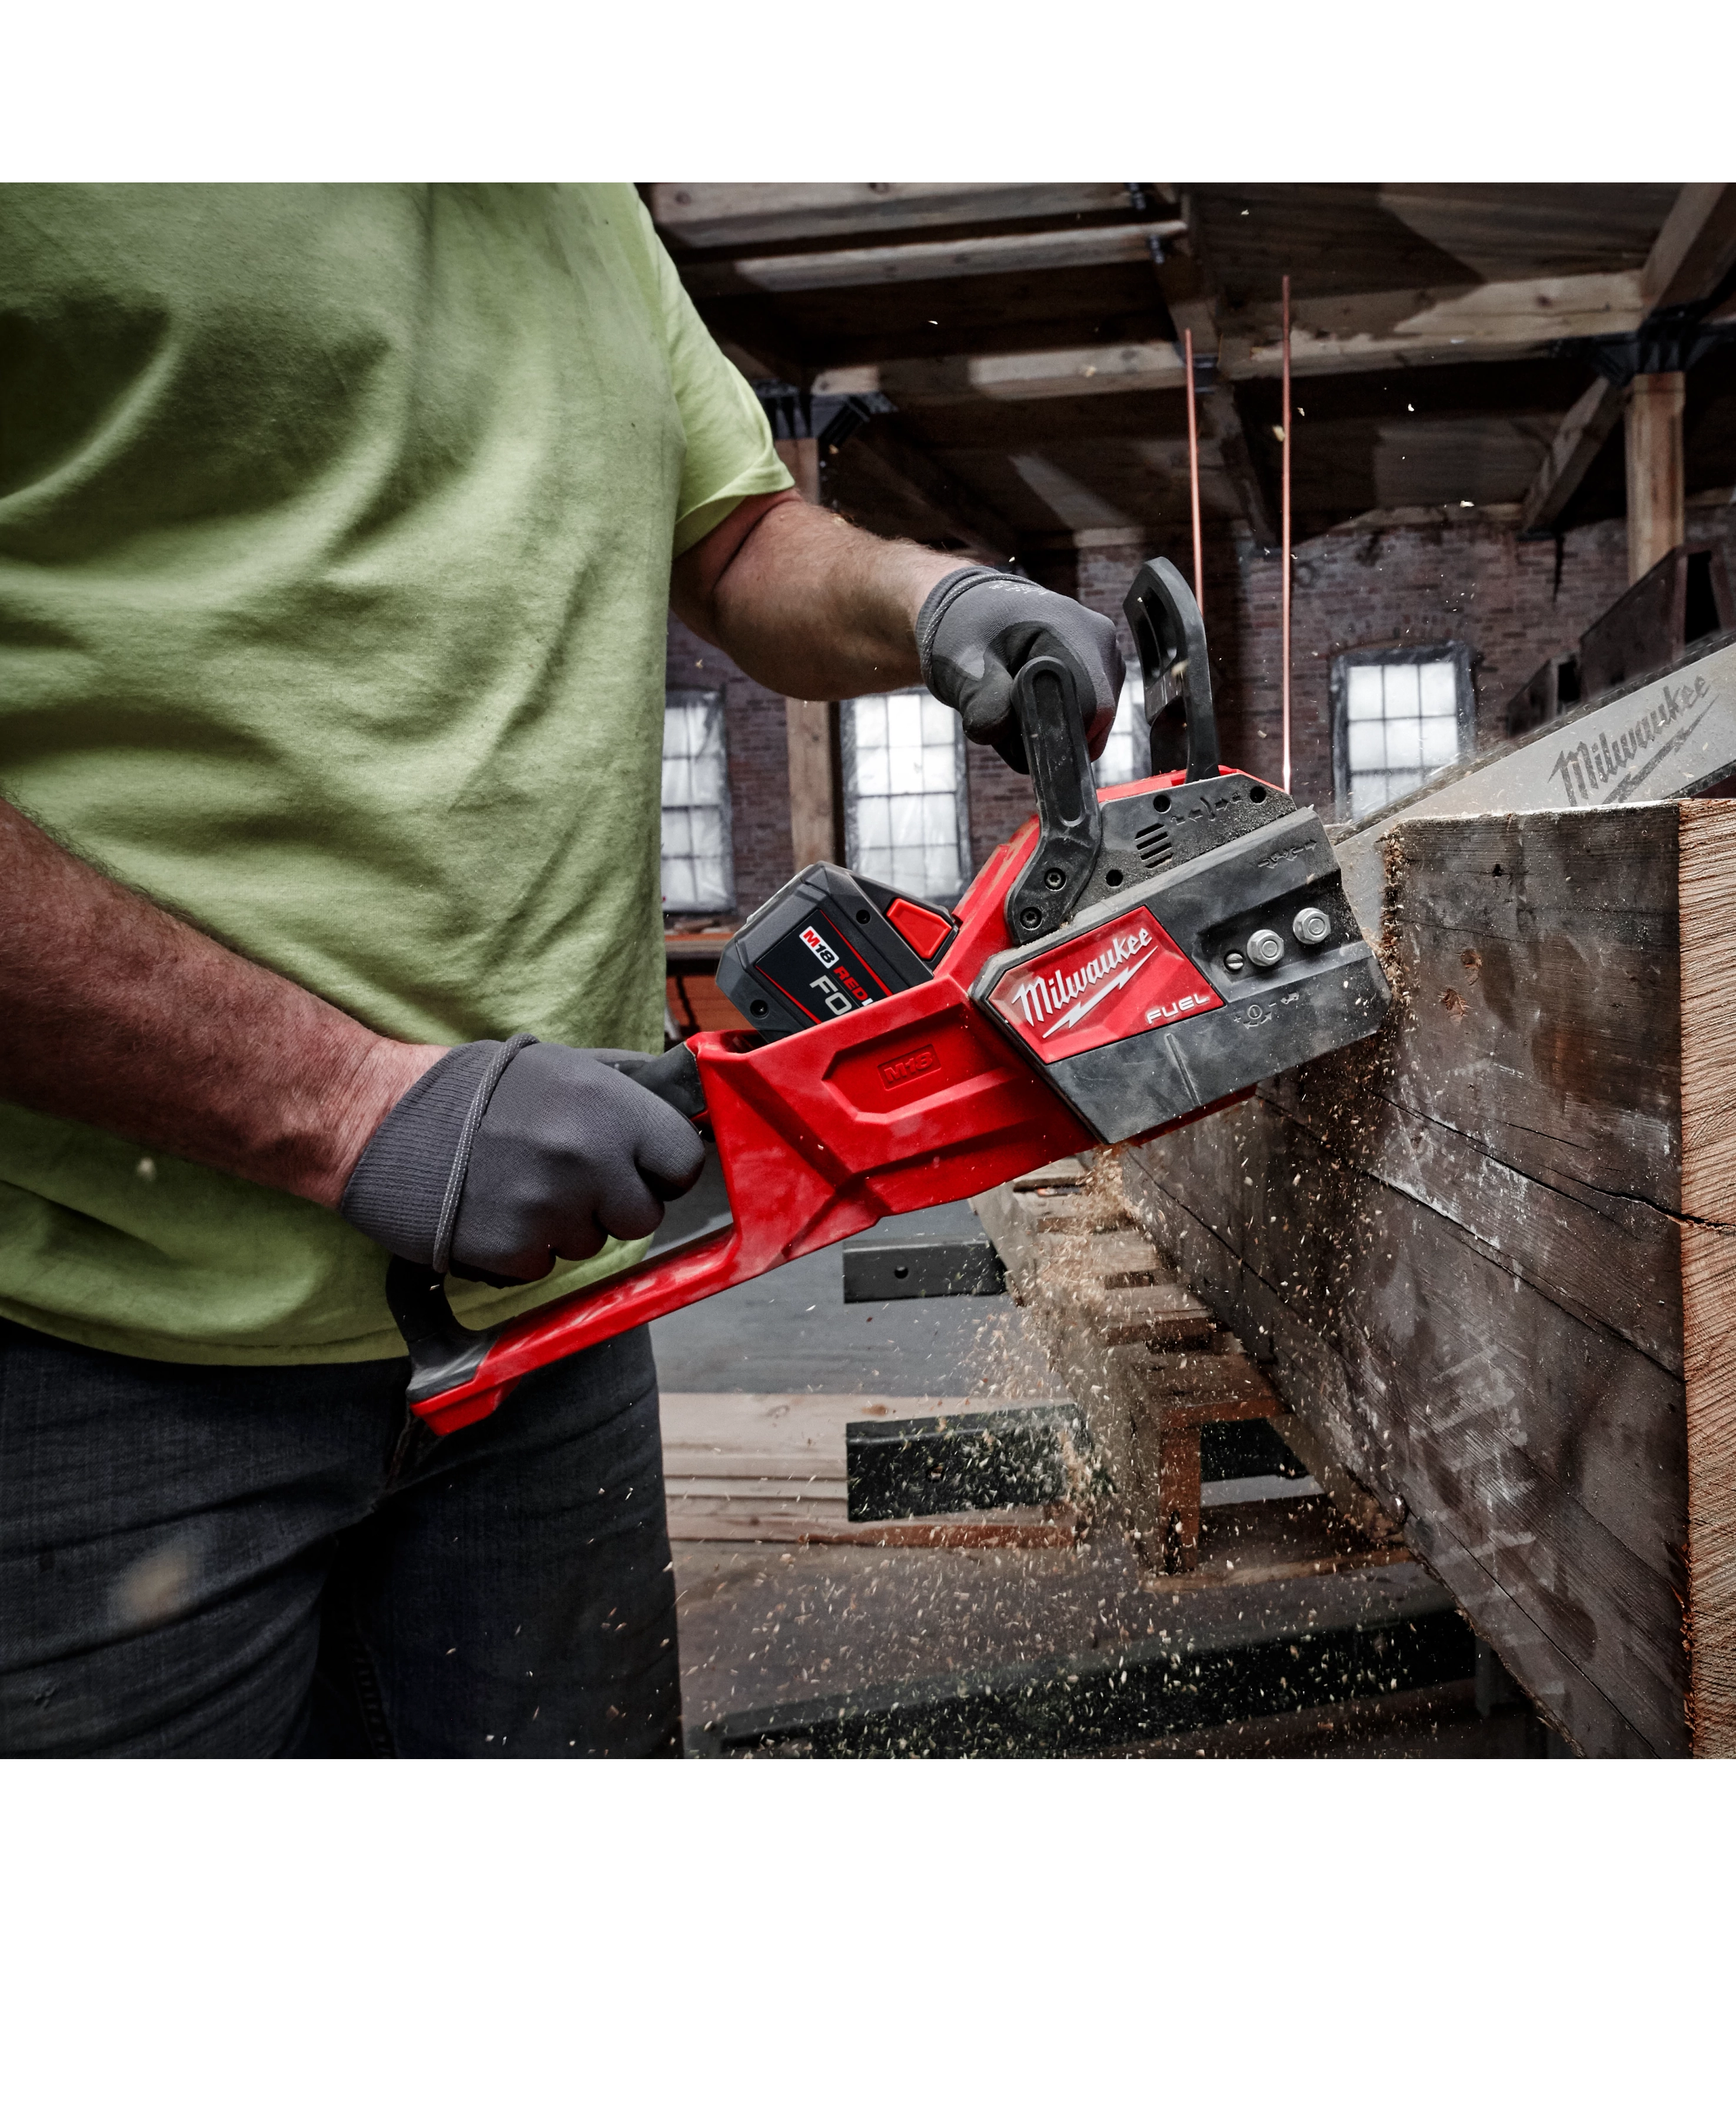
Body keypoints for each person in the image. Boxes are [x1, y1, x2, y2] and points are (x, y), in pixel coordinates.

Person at [0, 181, 1123, 1759]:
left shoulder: (584, 202)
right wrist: (343, 1105)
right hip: (101, 1345)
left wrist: (922, 599)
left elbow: (733, 536)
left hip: (547, 1319)